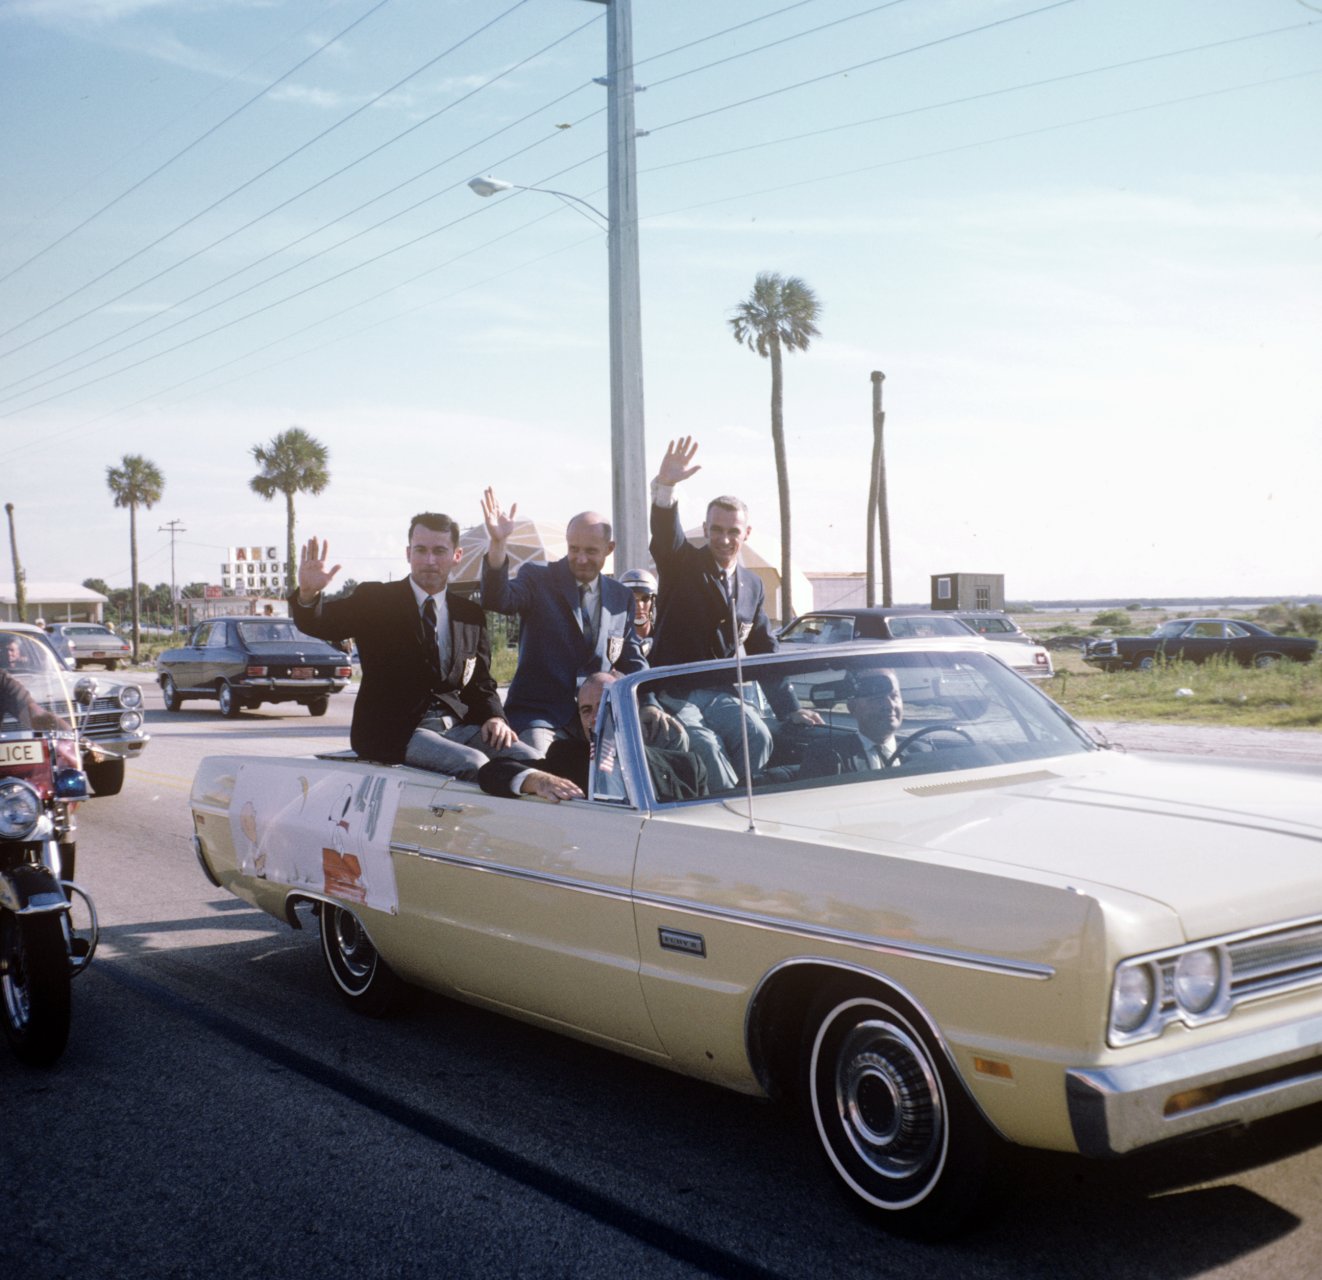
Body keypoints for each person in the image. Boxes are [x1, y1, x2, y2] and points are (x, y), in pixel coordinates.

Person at [290, 515, 537, 779]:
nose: (430, 560)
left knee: (531, 759)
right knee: (473, 764)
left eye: (439, 551)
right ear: (409, 553)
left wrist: (494, 718)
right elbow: (321, 623)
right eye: (421, 550)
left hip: (458, 727)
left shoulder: (469, 615)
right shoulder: (376, 600)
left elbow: (481, 684)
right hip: (395, 732)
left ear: (456, 555)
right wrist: (308, 595)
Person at [646, 435, 819, 782]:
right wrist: (665, 487)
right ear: (707, 529)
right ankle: (722, 809)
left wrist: (791, 709)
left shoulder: (753, 586)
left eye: (733, 531)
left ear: (747, 533)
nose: (724, 539)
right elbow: (666, 536)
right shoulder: (681, 564)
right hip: (675, 693)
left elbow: (762, 652)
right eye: (717, 530)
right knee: (704, 746)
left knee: (758, 735)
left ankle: (739, 798)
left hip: (721, 693)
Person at [479, 490, 646, 752]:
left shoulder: (620, 596)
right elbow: (497, 599)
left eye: (591, 551)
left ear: (609, 549)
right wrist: (498, 543)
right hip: (540, 716)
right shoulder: (537, 578)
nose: (581, 559)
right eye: (573, 549)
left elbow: (633, 661)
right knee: (541, 767)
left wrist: (653, 706)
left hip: (598, 717)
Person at [477, 672, 706, 803]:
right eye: (586, 710)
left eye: (605, 705)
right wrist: (539, 781)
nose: (595, 718)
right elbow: (492, 771)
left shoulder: (687, 768)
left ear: (632, 709)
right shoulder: (567, 758)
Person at [799, 667, 933, 777]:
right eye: (877, 698)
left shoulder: (923, 752)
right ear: (852, 707)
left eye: (894, 696)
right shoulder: (826, 756)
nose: (889, 705)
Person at [616, 568, 658, 658]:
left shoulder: (662, 638)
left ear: (653, 602)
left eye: (645, 598)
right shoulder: (615, 642)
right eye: (632, 600)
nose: (639, 605)